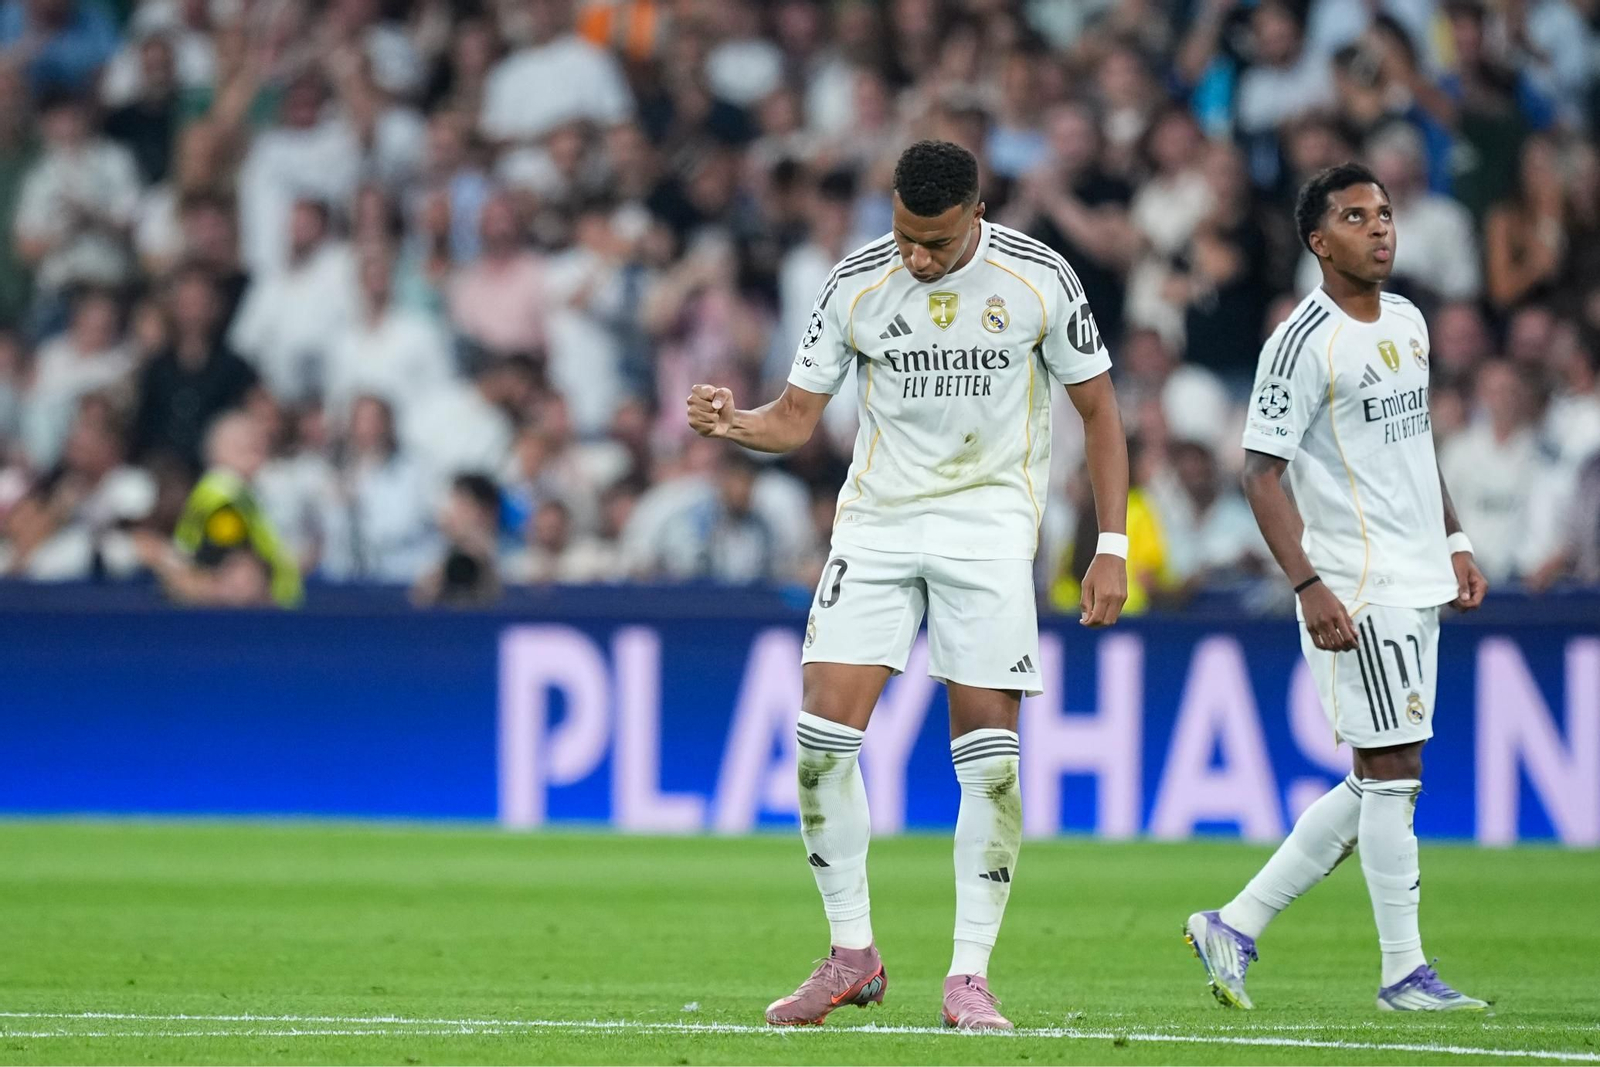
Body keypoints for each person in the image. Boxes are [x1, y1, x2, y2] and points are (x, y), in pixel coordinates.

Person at [686, 140, 1129, 1030]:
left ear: (977, 214)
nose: (917, 258)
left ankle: (969, 976)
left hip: (989, 528)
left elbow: (1100, 410)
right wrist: (735, 423)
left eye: (935, 241)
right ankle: (852, 954)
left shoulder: (1039, 276)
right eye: (904, 237)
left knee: (990, 760)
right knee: (819, 742)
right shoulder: (856, 281)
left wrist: (1110, 544)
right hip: (878, 525)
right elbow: (796, 418)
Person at [1185, 163, 1489, 1012]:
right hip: (1357, 580)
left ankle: (1234, 923)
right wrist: (1309, 583)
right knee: (1394, 767)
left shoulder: (1410, 320)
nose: (1380, 227)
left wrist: (1455, 538)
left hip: (1416, 572)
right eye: (1356, 217)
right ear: (1318, 242)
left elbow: (1415, 447)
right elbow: (1259, 474)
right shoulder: (1301, 340)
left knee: (1378, 776)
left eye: (1384, 212)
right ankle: (1403, 972)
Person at [137, 410, 301, 608]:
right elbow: (235, 573)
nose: (259, 453)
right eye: (248, 447)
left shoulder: (237, 496)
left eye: (260, 446)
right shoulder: (224, 498)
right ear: (219, 451)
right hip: (242, 616)